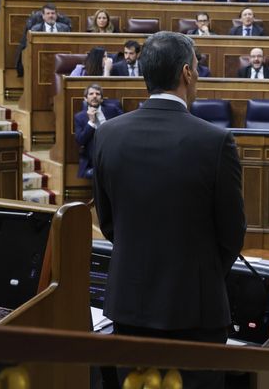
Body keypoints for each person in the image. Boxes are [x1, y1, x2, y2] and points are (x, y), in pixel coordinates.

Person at [93, 31, 245, 389]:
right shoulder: (216, 141)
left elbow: (109, 223)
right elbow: (232, 234)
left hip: (129, 304)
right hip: (194, 312)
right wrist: (201, 275)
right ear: (188, 73)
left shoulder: (107, 134)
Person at [74, 83, 123, 179]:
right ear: (85, 98)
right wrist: (91, 122)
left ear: (101, 99)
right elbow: (80, 140)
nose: (94, 96)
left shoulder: (112, 110)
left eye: (98, 94)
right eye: (91, 94)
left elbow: (124, 127)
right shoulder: (80, 117)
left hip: (112, 151)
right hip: (93, 156)